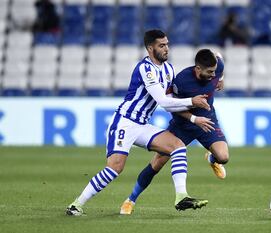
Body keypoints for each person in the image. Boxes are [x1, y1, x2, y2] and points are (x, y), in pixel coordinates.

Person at [66, 29, 210, 216]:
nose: (167, 48)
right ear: (150, 48)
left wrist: (193, 117)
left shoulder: (168, 70)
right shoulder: (145, 68)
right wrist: (192, 101)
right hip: (125, 122)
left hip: (142, 125)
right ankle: (76, 204)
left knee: (178, 146)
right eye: (161, 45)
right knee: (115, 168)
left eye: (167, 44)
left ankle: (181, 196)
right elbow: (163, 101)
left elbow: (170, 104)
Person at [119, 49, 229, 215]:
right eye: (210, 72)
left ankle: (212, 158)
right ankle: (130, 200)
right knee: (157, 164)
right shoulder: (182, 80)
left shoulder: (216, 67)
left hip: (207, 121)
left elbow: (219, 57)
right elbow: (172, 106)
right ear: (198, 69)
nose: (213, 74)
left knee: (224, 157)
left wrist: (221, 78)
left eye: (215, 72)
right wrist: (193, 118)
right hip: (183, 125)